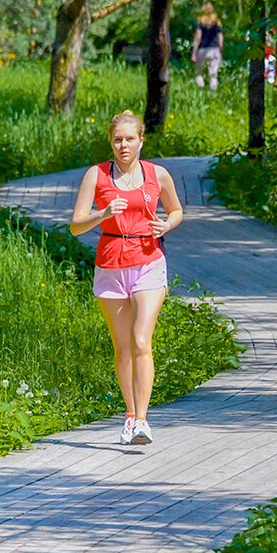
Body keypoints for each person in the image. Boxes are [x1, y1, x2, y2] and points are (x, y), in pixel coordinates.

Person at [69, 111, 184, 445]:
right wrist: (101, 214)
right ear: (111, 142)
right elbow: (76, 226)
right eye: (118, 139)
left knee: (140, 341)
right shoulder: (97, 175)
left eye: (129, 139)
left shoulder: (157, 174)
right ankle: (130, 415)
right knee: (122, 347)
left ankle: (144, 421)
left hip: (148, 260)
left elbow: (176, 211)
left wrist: (167, 224)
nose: (123, 145)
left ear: (141, 141)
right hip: (110, 264)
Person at [191, 3, 224, 90]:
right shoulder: (217, 22)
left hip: (203, 50)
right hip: (215, 50)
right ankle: (213, 93)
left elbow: (198, 37)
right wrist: (220, 51)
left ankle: (200, 91)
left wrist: (194, 52)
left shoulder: (200, 21)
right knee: (213, 74)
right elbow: (220, 39)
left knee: (199, 73)